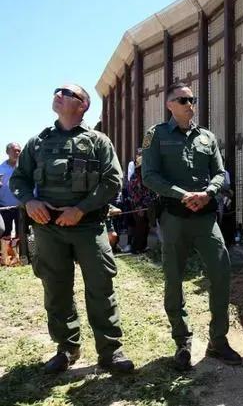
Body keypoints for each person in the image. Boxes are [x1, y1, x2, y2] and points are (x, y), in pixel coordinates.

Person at [9, 84, 134, 374]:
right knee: (56, 289)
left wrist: (80, 209)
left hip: (88, 227)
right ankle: (66, 348)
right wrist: (29, 201)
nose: (58, 93)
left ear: (83, 105)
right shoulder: (38, 143)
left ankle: (110, 351)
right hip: (48, 229)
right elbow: (19, 180)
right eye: (56, 90)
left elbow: (112, 181)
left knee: (101, 288)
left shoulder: (98, 141)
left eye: (67, 92)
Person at [142, 82, 241, 371]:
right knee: (174, 280)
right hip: (173, 218)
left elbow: (221, 174)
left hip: (205, 218)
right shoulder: (156, 135)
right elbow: (149, 175)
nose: (189, 104)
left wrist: (208, 193)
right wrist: (181, 194)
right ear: (169, 104)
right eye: (182, 100)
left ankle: (218, 341)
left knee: (221, 273)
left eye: (192, 99)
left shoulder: (207, 137)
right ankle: (182, 342)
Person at [127, 156, 156, 253]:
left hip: (147, 205)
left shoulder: (146, 176)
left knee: (146, 226)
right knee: (140, 227)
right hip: (138, 207)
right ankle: (135, 248)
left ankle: (143, 246)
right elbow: (134, 194)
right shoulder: (135, 178)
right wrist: (139, 207)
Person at [0, 142, 22, 237]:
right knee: (5, 235)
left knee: (22, 235)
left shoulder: (24, 168)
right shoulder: (1, 169)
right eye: (14, 150)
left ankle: (22, 252)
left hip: (22, 208)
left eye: (18, 151)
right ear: (7, 152)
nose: (16, 153)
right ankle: (6, 252)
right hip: (4, 207)